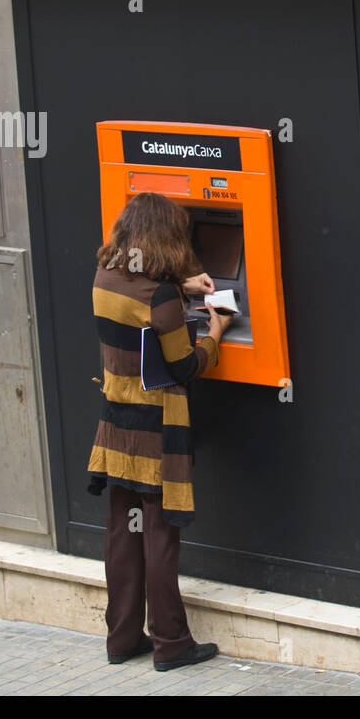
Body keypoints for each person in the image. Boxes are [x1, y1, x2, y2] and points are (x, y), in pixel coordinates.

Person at [86, 192, 232, 671]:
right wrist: (215, 333)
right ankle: (171, 643)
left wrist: (183, 287)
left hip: (115, 424)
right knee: (160, 534)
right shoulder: (162, 297)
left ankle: (122, 638)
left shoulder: (105, 277)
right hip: (157, 428)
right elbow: (185, 365)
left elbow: (139, 304)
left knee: (120, 535)